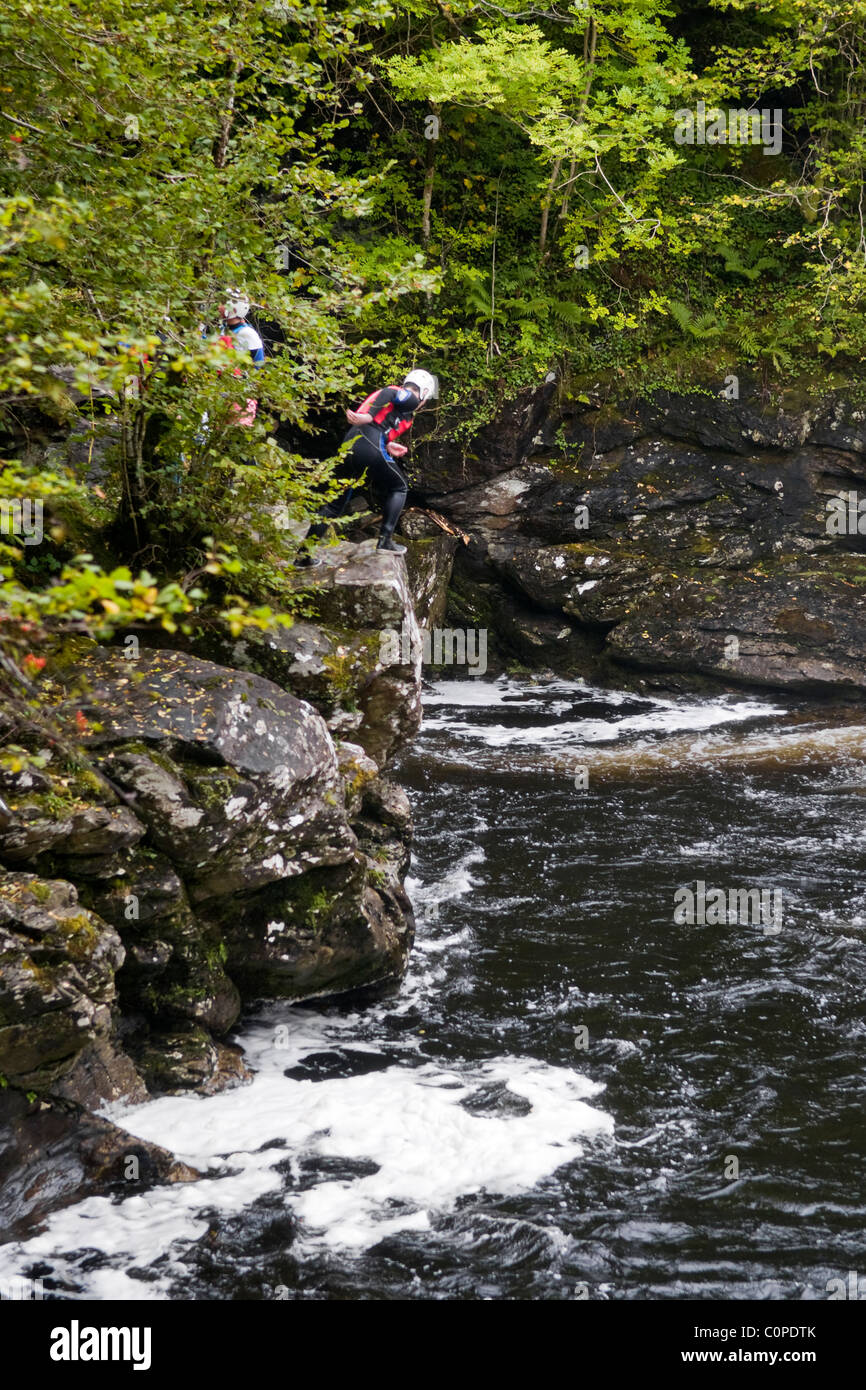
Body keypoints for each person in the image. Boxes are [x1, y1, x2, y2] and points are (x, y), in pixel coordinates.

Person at [299, 369, 438, 563]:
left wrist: (389, 446)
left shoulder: (405, 414)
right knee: (399, 487)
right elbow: (390, 393)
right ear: (423, 392)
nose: (423, 403)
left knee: (334, 504)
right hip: (366, 441)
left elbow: (384, 428)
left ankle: (303, 556)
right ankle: (385, 541)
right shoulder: (409, 396)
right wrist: (369, 415)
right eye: (426, 398)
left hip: (353, 444)